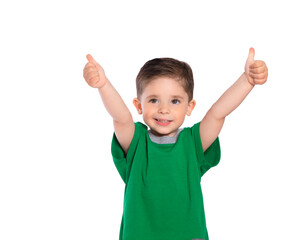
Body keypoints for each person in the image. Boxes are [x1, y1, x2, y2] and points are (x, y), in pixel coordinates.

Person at [83, 48, 268, 240]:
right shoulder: (136, 142)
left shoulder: (193, 142)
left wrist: (247, 81)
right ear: (139, 106)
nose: (164, 109)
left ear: (189, 107)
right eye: (154, 100)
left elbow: (218, 113)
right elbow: (121, 118)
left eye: (175, 101)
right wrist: (103, 85)